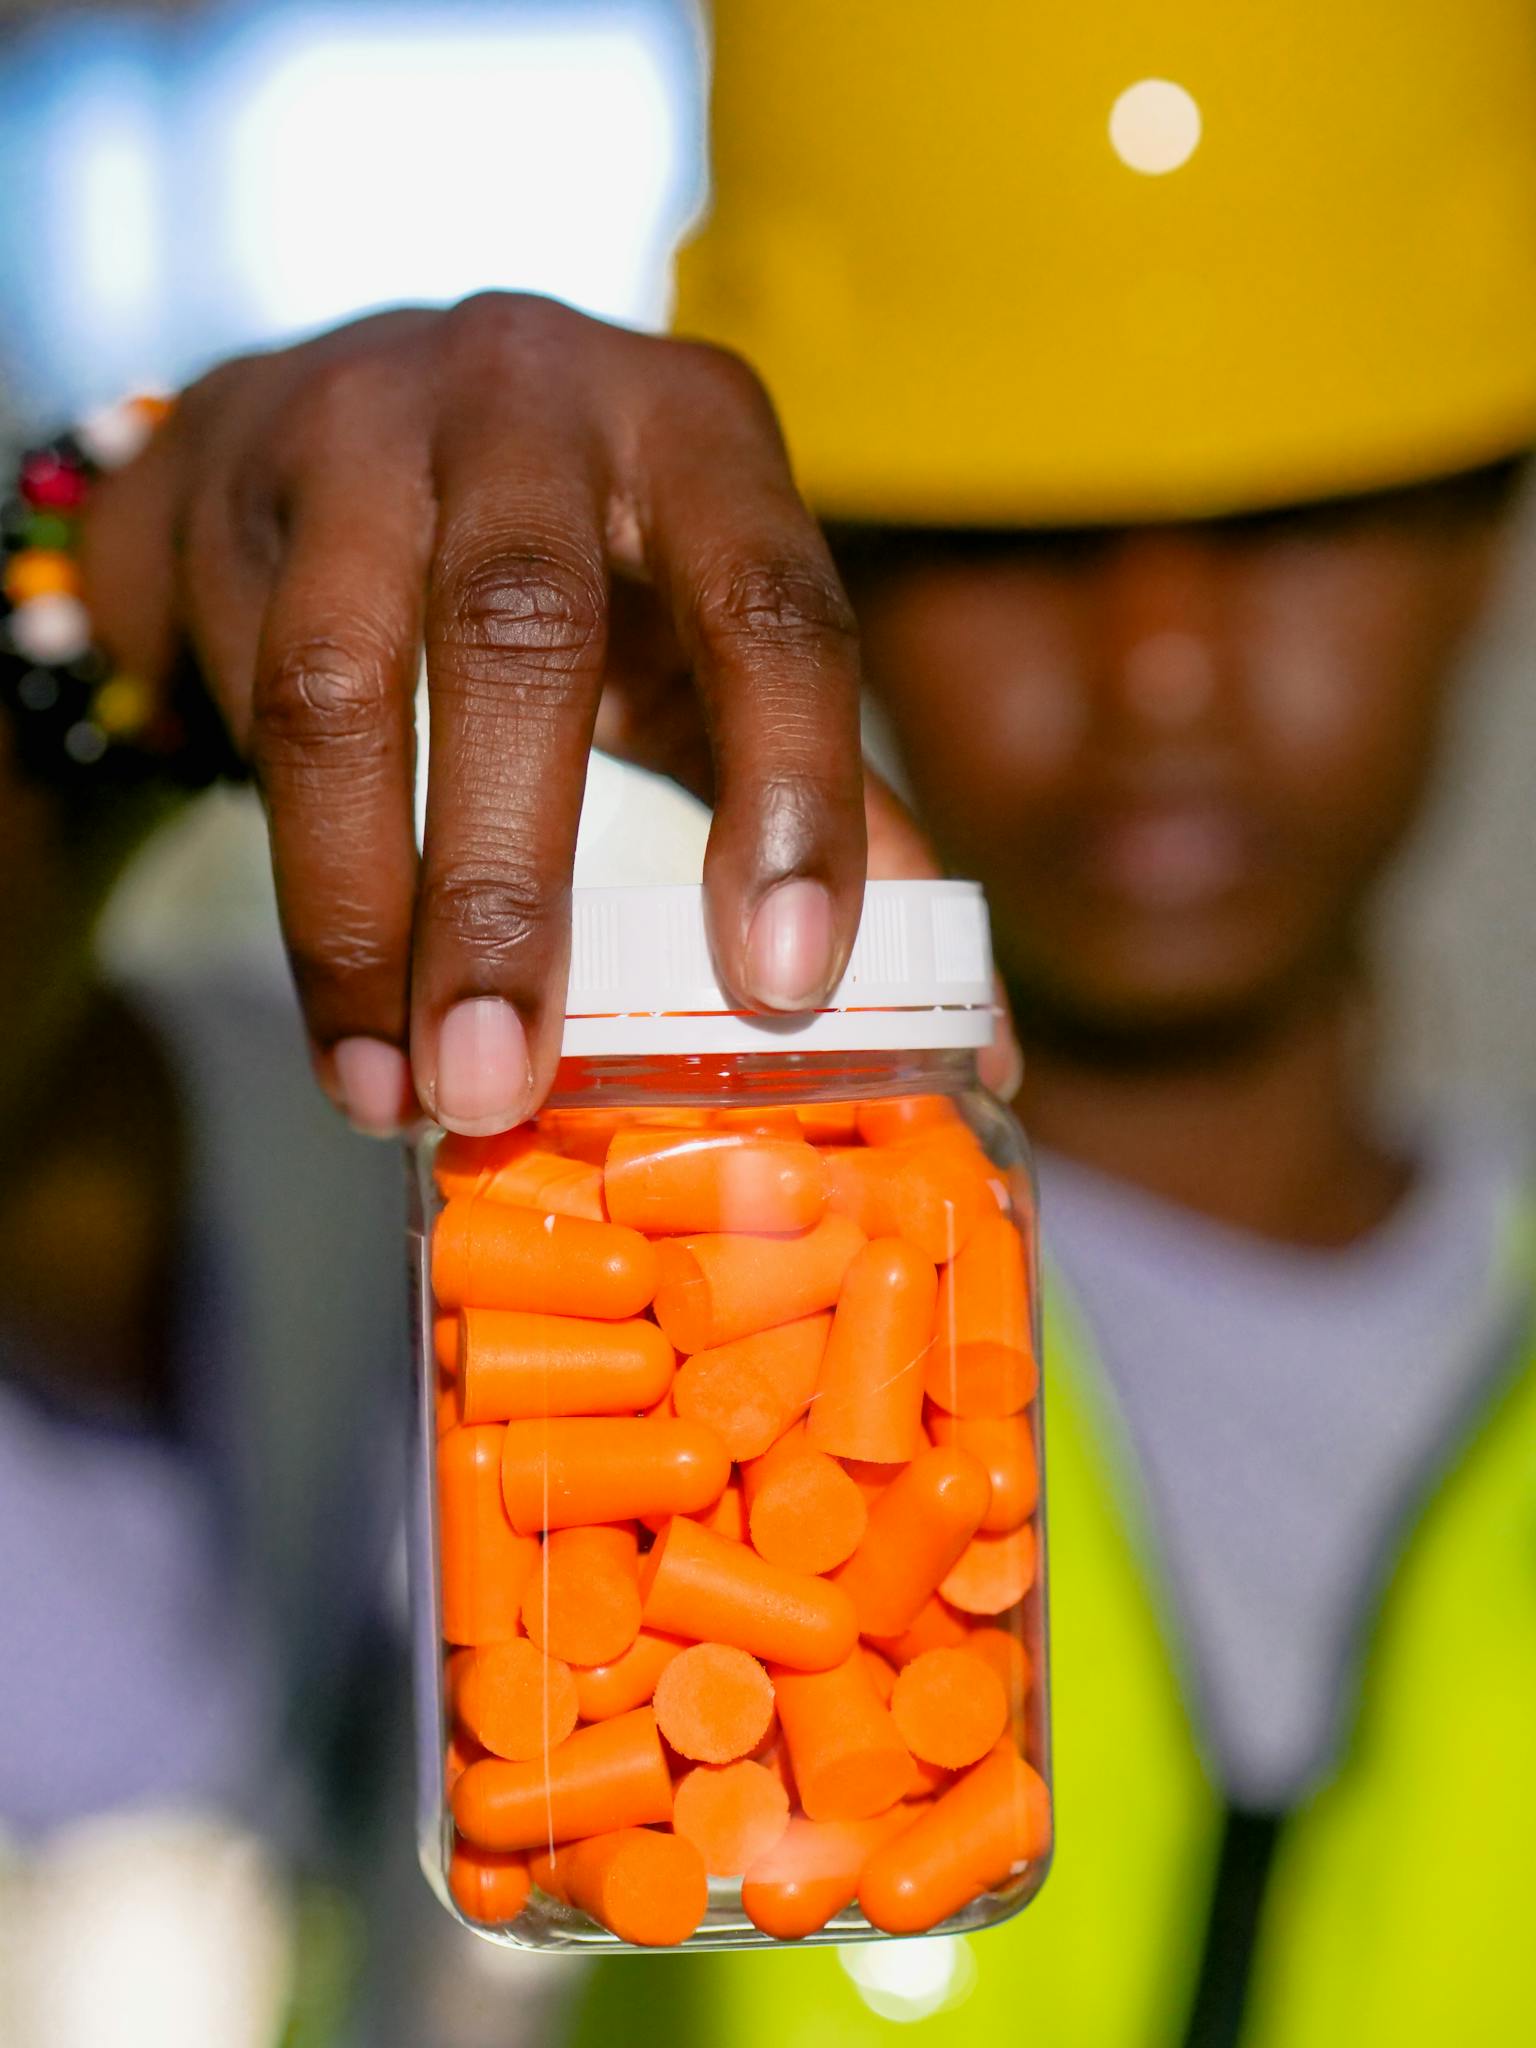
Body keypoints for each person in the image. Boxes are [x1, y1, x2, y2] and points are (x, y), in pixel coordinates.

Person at [556, 1, 1536, 2044]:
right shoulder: (574, 1321)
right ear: (812, 559)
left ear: (1486, 535)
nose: (1159, 670)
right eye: (1015, 535)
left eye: (1289, 518)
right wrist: (84, 609)